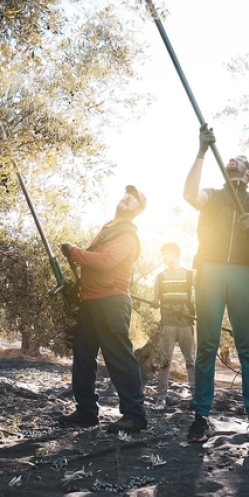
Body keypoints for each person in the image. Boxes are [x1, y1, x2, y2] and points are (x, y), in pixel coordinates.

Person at [183, 127, 249, 445]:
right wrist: (201, 150)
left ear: (248, 172)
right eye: (230, 159)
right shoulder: (212, 195)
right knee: (207, 347)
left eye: (238, 160)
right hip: (210, 272)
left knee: (248, 350)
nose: (232, 161)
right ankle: (201, 417)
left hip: (241, 274)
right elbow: (188, 193)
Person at [55, 185, 150, 434]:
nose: (128, 198)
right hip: (91, 301)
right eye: (126, 194)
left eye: (134, 199)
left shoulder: (128, 235)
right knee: (83, 356)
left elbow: (106, 262)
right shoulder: (109, 227)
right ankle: (86, 412)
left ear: (138, 210)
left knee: (118, 357)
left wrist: (75, 252)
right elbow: (93, 260)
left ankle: (135, 415)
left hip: (112, 302)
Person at [154, 242, 196, 400]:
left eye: (166, 253)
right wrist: (154, 302)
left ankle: (196, 399)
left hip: (186, 324)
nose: (163, 256)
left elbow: (201, 296)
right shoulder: (160, 277)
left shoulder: (190, 275)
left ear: (176, 254)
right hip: (167, 325)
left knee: (191, 361)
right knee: (164, 362)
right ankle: (161, 399)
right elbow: (155, 299)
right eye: (162, 253)